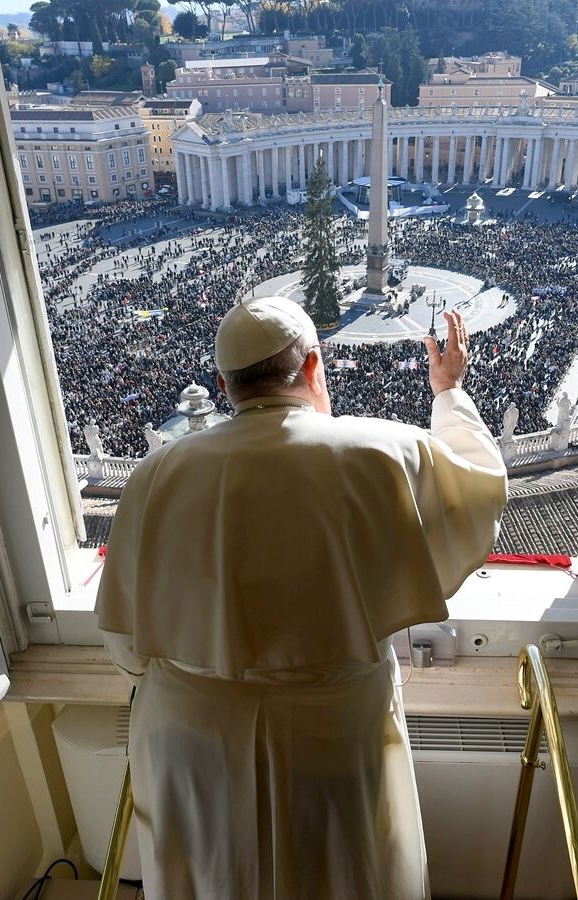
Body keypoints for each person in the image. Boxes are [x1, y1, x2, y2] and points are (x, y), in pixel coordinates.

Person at [95, 297, 506, 899]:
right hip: (331, 734)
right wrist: (448, 393)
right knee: (337, 876)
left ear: (224, 386)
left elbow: (125, 642)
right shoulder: (380, 451)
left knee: (214, 879)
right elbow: (481, 489)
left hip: (193, 737)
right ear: (314, 368)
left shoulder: (155, 475)